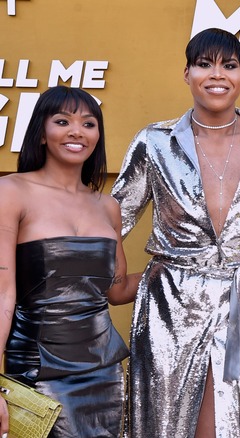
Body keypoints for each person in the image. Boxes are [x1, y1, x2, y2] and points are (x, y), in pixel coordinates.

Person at [111, 28, 240, 437]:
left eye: (229, 65)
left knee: (228, 424)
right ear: (186, 73)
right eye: (204, 64)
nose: (217, 75)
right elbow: (112, 218)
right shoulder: (154, 143)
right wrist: (130, 280)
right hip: (168, 311)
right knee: (164, 427)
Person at [0, 86, 139, 437]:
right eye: (63, 121)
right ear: (42, 133)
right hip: (39, 372)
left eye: (88, 124)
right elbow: (2, 295)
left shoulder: (107, 206)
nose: (77, 131)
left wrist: (180, 268)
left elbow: (117, 290)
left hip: (105, 376)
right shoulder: (11, 191)